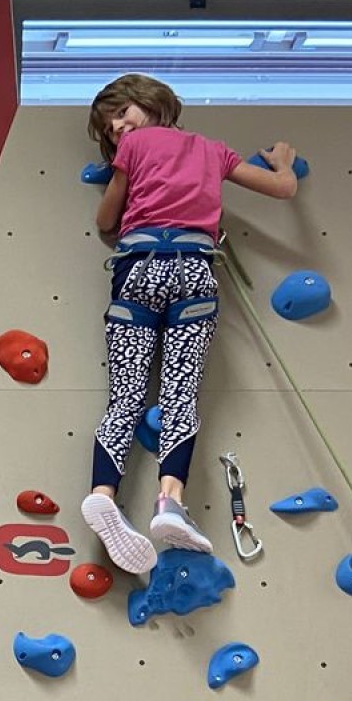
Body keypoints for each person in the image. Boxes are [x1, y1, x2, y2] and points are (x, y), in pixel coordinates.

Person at [78, 73, 299, 574]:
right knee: (181, 393)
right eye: (112, 126)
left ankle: (103, 494)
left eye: (121, 114)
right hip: (195, 273)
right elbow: (282, 189)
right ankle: (169, 503)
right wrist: (283, 162)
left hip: (138, 269)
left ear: (150, 105)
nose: (118, 127)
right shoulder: (214, 151)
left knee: (127, 395)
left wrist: (122, 170)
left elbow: (106, 220)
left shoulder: (132, 149)